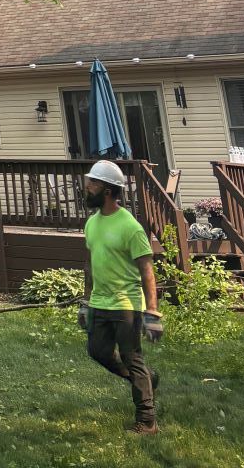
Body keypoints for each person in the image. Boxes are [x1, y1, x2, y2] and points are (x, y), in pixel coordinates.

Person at [78, 158, 163, 436]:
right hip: (100, 302)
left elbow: (147, 272)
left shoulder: (130, 227)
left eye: (92, 182)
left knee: (131, 357)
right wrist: (85, 301)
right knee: (98, 352)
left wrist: (152, 313)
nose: (87, 186)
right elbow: (90, 264)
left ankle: (147, 421)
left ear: (107, 190)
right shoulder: (91, 223)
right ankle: (147, 380)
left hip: (127, 304)